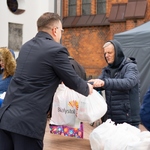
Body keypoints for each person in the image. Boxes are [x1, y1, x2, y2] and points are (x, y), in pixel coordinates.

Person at [0, 12, 93, 150]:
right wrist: (87, 88)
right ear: (55, 30)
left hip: (6, 119)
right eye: (61, 30)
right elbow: (72, 80)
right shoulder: (56, 50)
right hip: (27, 124)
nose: (60, 34)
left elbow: (36, 75)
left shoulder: (26, 47)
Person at [88, 39, 141, 127]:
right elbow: (98, 83)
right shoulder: (107, 70)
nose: (106, 55)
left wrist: (104, 83)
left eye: (109, 53)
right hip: (112, 120)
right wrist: (79, 84)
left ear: (117, 53)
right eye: (105, 53)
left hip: (129, 119)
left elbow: (128, 82)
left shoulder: (131, 67)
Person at [49, 56, 86, 138]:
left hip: (60, 123)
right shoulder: (81, 67)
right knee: (75, 143)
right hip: (76, 119)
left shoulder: (64, 66)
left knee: (58, 144)